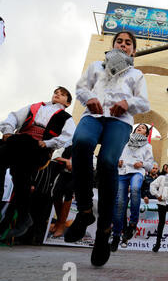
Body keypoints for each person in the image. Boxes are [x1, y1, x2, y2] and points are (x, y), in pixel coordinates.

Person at [64, 30, 150, 267]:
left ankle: (104, 229)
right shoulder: (95, 67)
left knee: (108, 163)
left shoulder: (136, 74)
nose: (123, 45)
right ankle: (84, 211)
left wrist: (127, 102)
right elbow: (81, 88)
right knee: (80, 144)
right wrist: (90, 97)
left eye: (128, 43)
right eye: (119, 41)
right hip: (93, 116)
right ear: (112, 46)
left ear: (133, 50)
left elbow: (144, 102)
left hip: (119, 122)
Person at [0, 87, 75, 239]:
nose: (57, 95)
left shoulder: (66, 117)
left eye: (62, 95)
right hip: (18, 142)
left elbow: (69, 136)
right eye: (56, 93)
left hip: (38, 148)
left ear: (67, 103)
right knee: (20, 177)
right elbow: (14, 117)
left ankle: (22, 217)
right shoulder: (35, 107)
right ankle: (22, 216)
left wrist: (49, 143)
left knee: (22, 173)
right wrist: (7, 131)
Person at [111, 123, 154, 252]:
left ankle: (133, 223)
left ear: (146, 134)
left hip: (137, 171)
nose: (139, 128)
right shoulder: (125, 142)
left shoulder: (148, 146)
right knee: (119, 203)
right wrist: (117, 160)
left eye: (143, 128)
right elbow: (117, 155)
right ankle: (116, 236)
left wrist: (142, 163)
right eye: (138, 127)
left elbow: (150, 165)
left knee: (135, 189)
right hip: (122, 172)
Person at [50, 145, 74, 238]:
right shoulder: (68, 146)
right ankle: (60, 223)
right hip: (64, 173)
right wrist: (66, 161)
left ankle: (60, 225)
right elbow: (55, 156)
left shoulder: (87, 149)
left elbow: (93, 165)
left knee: (68, 192)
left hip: (77, 175)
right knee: (56, 193)